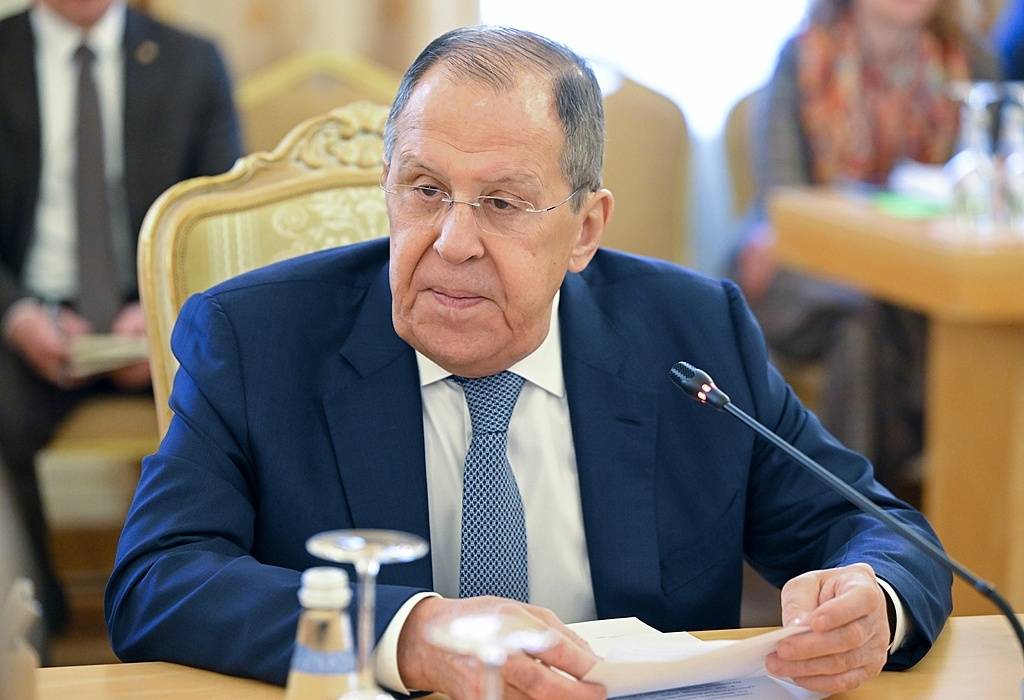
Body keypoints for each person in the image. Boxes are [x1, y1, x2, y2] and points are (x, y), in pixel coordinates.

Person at [106, 27, 951, 698]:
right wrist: (407, 634)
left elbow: (879, 530)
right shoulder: (258, 340)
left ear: (585, 229)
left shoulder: (690, 333)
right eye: (425, 190)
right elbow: (157, 579)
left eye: (502, 203)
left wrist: (871, 601)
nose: (453, 242)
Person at [0, 0, 242, 636]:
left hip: (158, 311)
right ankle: (28, 624)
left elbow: (217, 217)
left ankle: (200, 606)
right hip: (33, 312)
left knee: (239, 393)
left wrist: (163, 310)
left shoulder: (192, 60)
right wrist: (17, 315)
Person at [733, 0, 999, 498]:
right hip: (798, 270)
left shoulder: (969, 60)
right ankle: (866, 505)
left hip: (913, 277)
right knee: (867, 314)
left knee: (888, 323)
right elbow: (783, 202)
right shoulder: (804, 57)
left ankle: (854, 508)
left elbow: (991, 182)